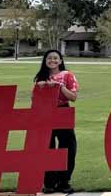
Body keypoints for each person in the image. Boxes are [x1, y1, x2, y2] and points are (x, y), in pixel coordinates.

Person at [33, 49, 79, 194]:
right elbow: (34, 99)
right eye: (49, 58)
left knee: (68, 148)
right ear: (45, 61)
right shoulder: (41, 76)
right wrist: (40, 87)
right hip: (45, 113)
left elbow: (73, 97)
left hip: (63, 111)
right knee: (48, 147)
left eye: (55, 58)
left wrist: (60, 87)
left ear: (60, 60)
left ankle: (63, 181)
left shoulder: (68, 75)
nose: (52, 60)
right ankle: (49, 182)